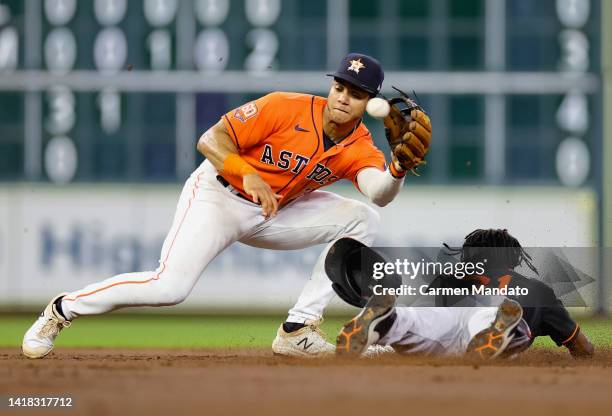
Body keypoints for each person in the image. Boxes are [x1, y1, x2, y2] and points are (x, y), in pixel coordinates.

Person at [22, 53, 433, 359]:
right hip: (217, 196)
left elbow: (376, 191)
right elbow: (210, 139)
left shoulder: (359, 145)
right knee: (169, 288)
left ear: (369, 102)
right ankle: (62, 309)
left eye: (356, 93)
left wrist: (396, 168)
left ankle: (297, 329)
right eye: (340, 86)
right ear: (331, 86)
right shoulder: (282, 107)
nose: (343, 97)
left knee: (364, 216)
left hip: (275, 213)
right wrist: (247, 172)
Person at [334, 229, 594, 359]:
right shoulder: (539, 292)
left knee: (414, 322)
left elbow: (424, 316)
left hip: (449, 332)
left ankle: (390, 320)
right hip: (502, 322)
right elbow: (581, 346)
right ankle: (499, 329)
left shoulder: (449, 279)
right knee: (489, 322)